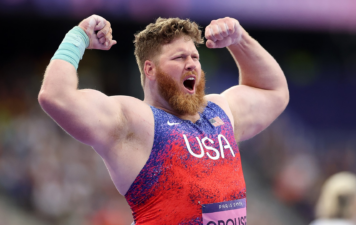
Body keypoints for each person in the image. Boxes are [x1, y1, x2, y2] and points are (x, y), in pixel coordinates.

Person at [38, 14, 289, 224]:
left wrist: (240, 40)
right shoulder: (134, 120)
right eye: (179, 57)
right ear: (150, 69)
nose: (191, 64)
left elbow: (274, 92)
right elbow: (56, 96)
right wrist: (78, 37)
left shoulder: (219, 111)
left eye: (195, 57)